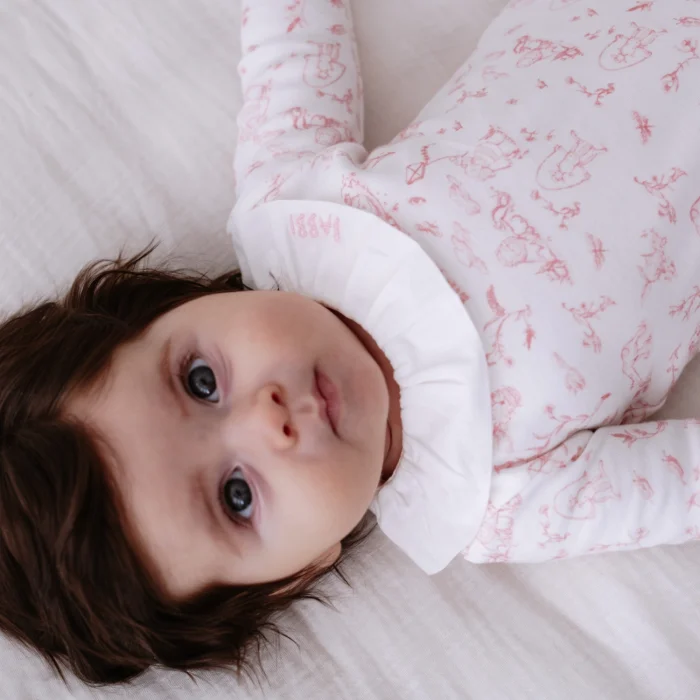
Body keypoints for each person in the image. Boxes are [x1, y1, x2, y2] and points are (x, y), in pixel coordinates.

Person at [1, 0, 699, 686]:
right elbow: (682, 484)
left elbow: (292, 40)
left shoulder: (295, 205)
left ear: (178, 306)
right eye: (237, 496)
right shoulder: (498, 496)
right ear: (296, 570)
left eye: (201, 381)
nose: (267, 417)